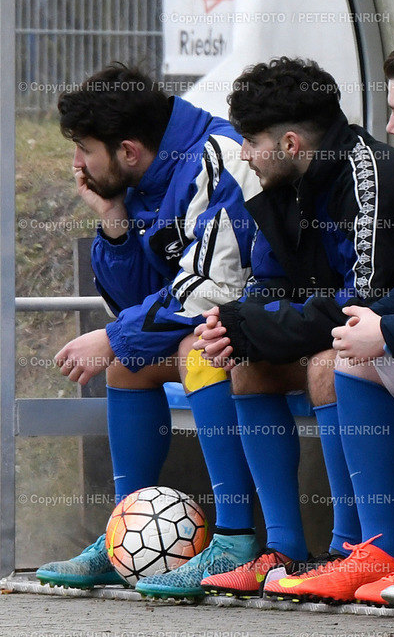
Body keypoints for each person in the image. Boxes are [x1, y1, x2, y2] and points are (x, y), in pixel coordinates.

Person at [262, 31, 394, 607]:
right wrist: (372, 321)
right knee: (349, 361)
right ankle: (373, 550)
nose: (389, 127)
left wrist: (390, 330)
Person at [191, 56, 394, 598]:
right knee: (245, 365)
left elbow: (366, 300)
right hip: (343, 333)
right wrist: (238, 324)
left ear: (291, 143)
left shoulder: (371, 178)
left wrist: (258, 325)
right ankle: (283, 549)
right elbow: (268, 283)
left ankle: (353, 548)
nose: (242, 154)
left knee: (329, 363)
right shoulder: (283, 182)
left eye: (250, 141)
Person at [35, 63, 262, 597]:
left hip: (280, 325)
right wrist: (114, 220)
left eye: (85, 150)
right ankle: (124, 538)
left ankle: (235, 538)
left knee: (193, 345)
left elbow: (212, 288)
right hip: (222, 324)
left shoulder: (217, 159)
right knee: (128, 362)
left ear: (129, 151)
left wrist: (113, 335)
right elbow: (136, 301)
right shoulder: (141, 179)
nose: (77, 165)